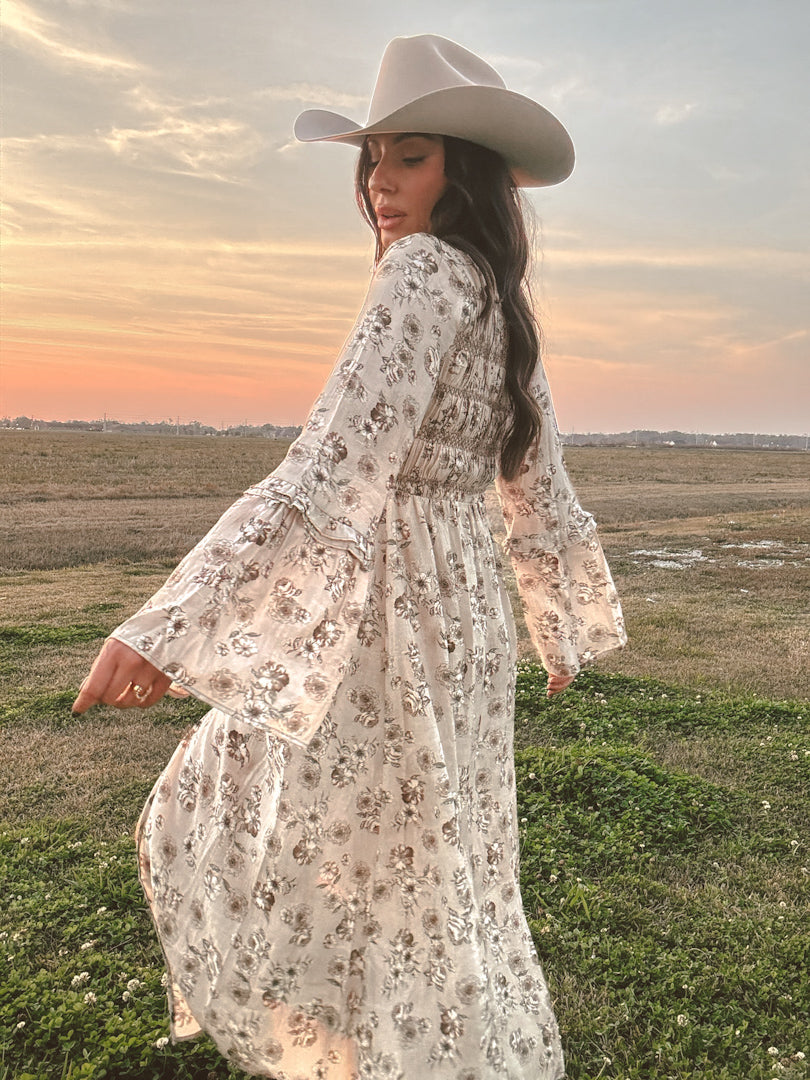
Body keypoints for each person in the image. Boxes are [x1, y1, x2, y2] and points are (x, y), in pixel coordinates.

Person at [73, 34, 625, 1079]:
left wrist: (165, 628)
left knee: (235, 815)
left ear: (461, 171)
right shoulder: (501, 299)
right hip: (461, 620)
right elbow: (535, 482)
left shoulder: (423, 273)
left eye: (407, 156)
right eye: (373, 159)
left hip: (396, 609)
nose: (379, 182)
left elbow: (330, 471)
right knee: (434, 861)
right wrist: (552, 622)